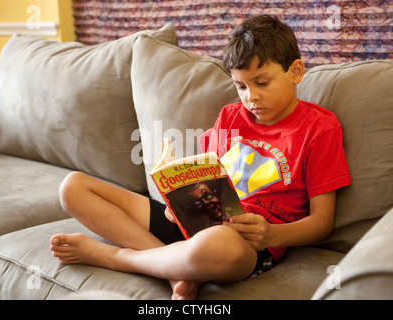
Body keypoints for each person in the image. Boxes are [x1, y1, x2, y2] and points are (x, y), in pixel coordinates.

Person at [50, 15, 351, 300]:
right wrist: (176, 202)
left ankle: (118, 257)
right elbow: (207, 176)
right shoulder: (231, 117)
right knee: (73, 187)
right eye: (241, 86)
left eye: (262, 83)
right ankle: (174, 271)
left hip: (245, 242)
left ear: (295, 72)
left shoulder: (319, 129)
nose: (251, 97)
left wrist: (271, 234)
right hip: (194, 225)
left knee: (215, 244)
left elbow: (322, 222)